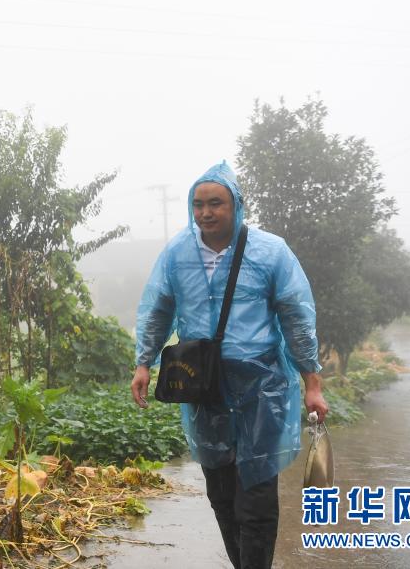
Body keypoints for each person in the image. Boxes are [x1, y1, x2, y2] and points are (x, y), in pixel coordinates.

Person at [130, 161, 328, 569]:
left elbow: (296, 317)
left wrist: (312, 381)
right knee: (220, 490)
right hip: (203, 384)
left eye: (215, 203)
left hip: (262, 385)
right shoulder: (177, 254)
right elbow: (157, 310)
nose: (205, 212)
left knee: (255, 489)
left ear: (236, 205)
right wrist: (143, 363)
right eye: (198, 204)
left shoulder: (270, 251)